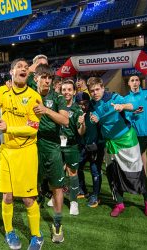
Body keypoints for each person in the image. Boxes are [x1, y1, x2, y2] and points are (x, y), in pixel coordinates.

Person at [0, 58, 44, 250]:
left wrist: (8, 127)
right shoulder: (1, 91)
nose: (24, 69)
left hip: (26, 152)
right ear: (11, 72)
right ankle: (9, 231)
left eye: (26, 67)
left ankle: (37, 236)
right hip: (6, 151)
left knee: (28, 199)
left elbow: (33, 128)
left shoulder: (34, 96)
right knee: (7, 197)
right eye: (19, 66)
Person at [88, 77, 147, 217]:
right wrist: (95, 119)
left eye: (97, 89)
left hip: (127, 141)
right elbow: (97, 116)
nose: (95, 93)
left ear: (102, 87)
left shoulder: (114, 97)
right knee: (113, 174)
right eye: (92, 91)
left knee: (137, 173)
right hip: (110, 143)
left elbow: (134, 105)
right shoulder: (92, 104)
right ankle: (119, 204)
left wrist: (122, 106)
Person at [33, 64, 69, 243]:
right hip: (32, 147)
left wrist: (46, 110)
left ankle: (57, 223)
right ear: (36, 78)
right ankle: (34, 217)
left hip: (53, 148)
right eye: (44, 77)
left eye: (50, 78)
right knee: (33, 185)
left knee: (57, 187)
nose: (47, 81)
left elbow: (65, 120)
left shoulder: (57, 97)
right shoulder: (29, 93)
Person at [58, 79, 85, 215]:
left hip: (71, 146)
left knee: (72, 173)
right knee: (58, 171)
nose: (66, 92)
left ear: (74, 92)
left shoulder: (77, 109)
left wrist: (82, 124)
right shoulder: (56, 107)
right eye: (64, 90)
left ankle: (73, 201)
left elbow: (81, 132)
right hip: (57, 145)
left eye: (69, 90)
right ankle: (56, 196)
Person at [76, 86, 106, 208]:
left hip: (96, 146)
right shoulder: (78, 112)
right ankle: (83, 190)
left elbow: (104, 125)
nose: (83, 106)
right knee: (78, 167)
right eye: (80, 104)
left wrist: (98, 120)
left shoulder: (95, 110)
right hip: (83, 146)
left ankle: (95, 195)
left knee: (95, 171)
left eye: (85, 103)